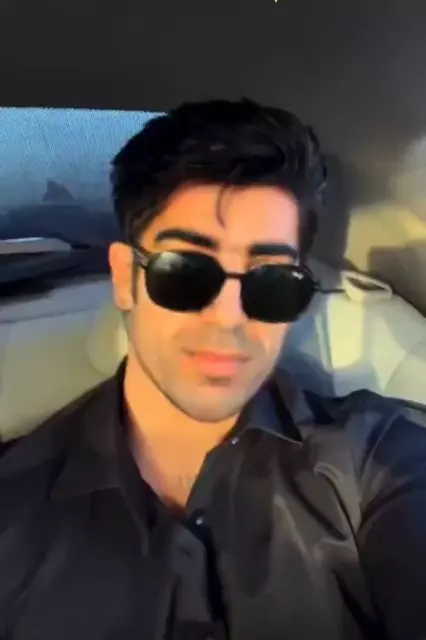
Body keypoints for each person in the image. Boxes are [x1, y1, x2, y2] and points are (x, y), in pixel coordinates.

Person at [1, 98, 426, 640]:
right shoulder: (12, 504)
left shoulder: (378, 460)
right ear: (126, 278)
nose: (229, 318)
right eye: (185, 271)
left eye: (272, 281)